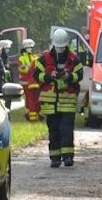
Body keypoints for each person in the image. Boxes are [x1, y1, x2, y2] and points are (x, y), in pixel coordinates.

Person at [37, 27, 86, 167]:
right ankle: (55, 158)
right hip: (50, 103)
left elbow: (79, 75)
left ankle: (68, 157)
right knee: (53, 131)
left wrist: (68, 76)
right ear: (53, 44)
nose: (60, 50)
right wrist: (48, 76)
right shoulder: (44, 59)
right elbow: (36, 75)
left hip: (68, 101)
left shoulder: (73, 59)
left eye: (62, 47)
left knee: (66, 130)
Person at [17, 37, 42, 122]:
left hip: (35, 81)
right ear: (25, 48)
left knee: (36, 99)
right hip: (26, 82)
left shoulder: (34, 56)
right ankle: (33, 117)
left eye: (31, 47)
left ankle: (36, 114)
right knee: (30, 100)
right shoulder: (21, 58)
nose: (31, 49)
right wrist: (30, 67)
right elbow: (22, 70)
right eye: (29, 48)